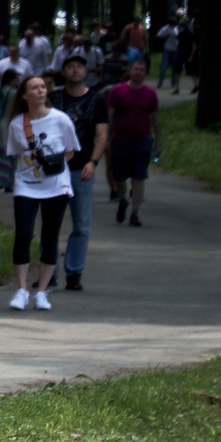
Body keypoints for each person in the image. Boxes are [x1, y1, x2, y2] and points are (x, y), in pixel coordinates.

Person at [4, 72, 79, 312]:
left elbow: (70, 151)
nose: (41, 91)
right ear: (24, 95)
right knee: (24, 234)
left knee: (50, 236)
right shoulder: (17, 124)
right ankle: (22, 289)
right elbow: (16, 152)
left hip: (56, 186)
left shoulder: (61, 119)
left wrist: (52, 166)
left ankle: (41, 292)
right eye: (34, 88)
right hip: (26, 184)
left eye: (43, 87)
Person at [52, 52, 111, 292]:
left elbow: (102, 135)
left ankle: (74, 272)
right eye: (71, 67)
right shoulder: (54, 98)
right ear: (64, 71)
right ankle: (50, 270)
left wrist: (93, 161)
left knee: (81, 225)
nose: (76, 70)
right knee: (51, 223)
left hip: (82, 170)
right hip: (55, 170)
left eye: (80, 67)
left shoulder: (96, 101)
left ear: (86, 71)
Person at [104, 57, 160, 228]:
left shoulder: (150, 94)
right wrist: (106, 138)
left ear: (145, 73)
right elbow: (110, 116)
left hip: (142, 140)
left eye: (141, 70)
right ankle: (122, 200)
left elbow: (155, 119)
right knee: (119, 177)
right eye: (135, 69)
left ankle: (135, 213)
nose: (138, 72)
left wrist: (157, 142)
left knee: (139, 176)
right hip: (120, 140)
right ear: (129, 71)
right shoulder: (118, 91)